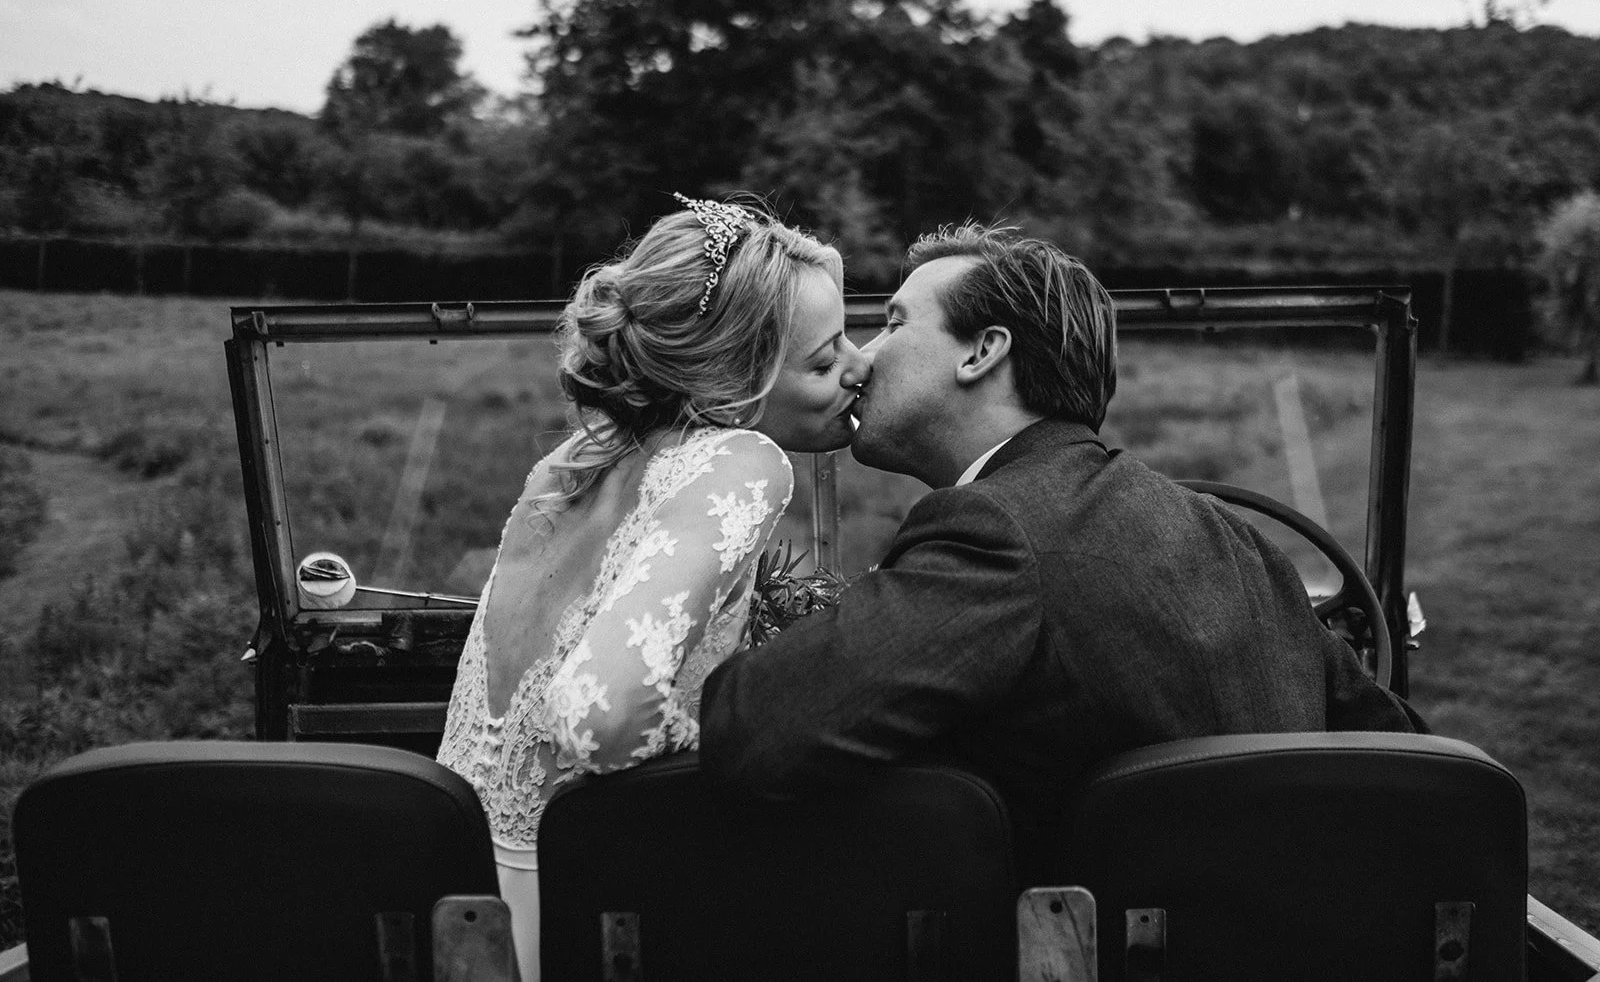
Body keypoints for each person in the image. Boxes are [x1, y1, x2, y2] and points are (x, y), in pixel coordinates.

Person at [698, 224, 1422, 886]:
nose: (861, 359)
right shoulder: (1236, 538)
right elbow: (1404, 748)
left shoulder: (992, 530)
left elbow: (758, 731)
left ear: (983, 351)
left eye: (892, 322)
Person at [436, 194, 868, 980]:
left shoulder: (568, 464)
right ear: (732, 377)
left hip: (456, 892)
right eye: (824, 357)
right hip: (582, 908)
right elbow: (595, 718)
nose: (859, 365)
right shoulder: (741, 459)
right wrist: (741, 728)